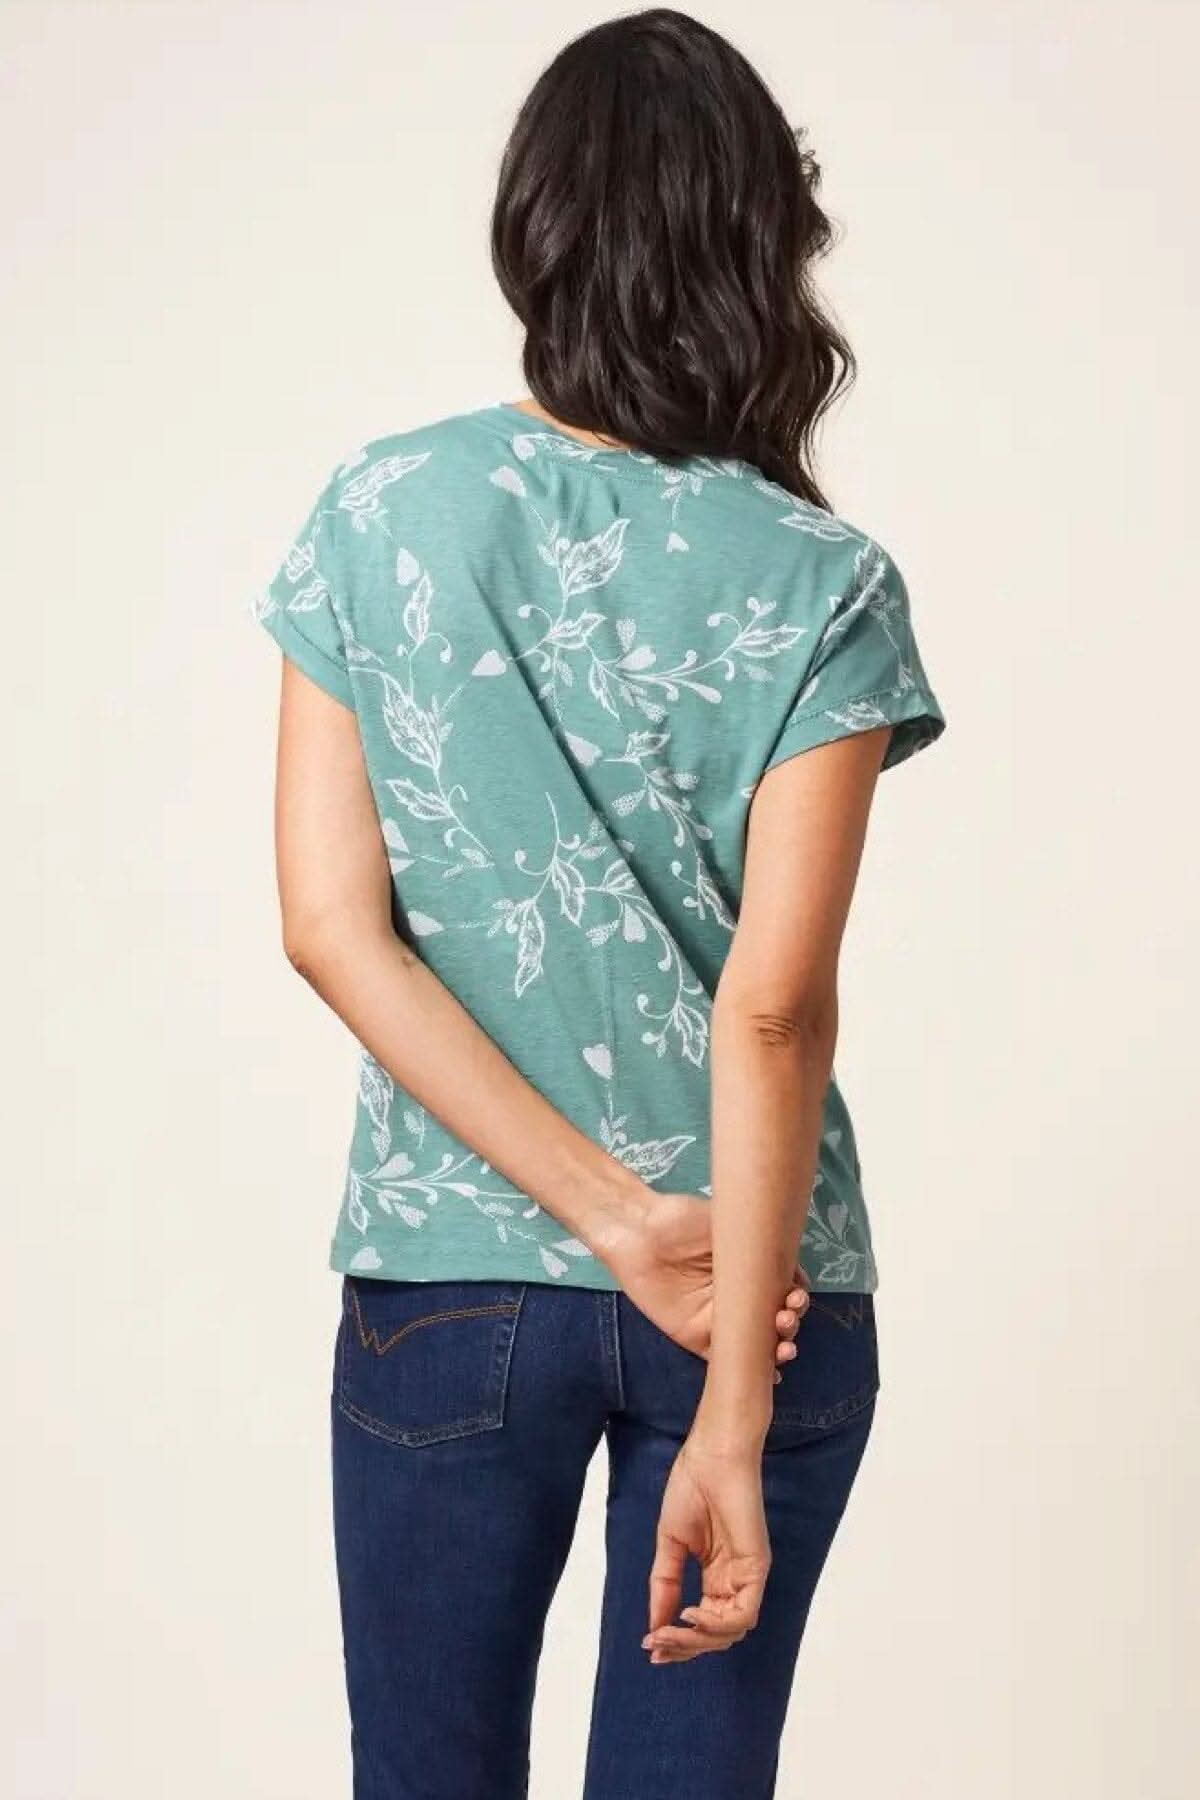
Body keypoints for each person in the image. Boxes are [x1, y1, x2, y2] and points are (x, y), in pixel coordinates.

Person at [249, 10, 945, 1797]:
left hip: (455, 1276)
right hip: (757, 1294)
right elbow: (773, 1010)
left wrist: (611, 1219)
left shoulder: (383, 511)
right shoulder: (822, 578)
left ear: (537, 229)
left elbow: (331, 927)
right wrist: (729, 1394)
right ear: (761, 243)